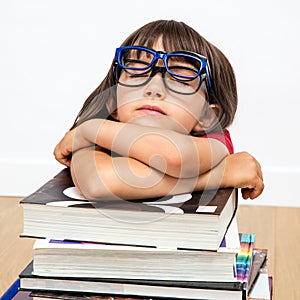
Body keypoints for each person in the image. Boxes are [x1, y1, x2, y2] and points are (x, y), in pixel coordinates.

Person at [54, 19, 264, 201]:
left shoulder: (213, 143)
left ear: (207, 117)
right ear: (113, 105)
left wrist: (89, 130)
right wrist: (221, 174)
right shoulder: (93, 137)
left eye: (180, 78)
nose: (154, 88)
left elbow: (173, 156)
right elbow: (99, 183)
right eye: (137, 73)